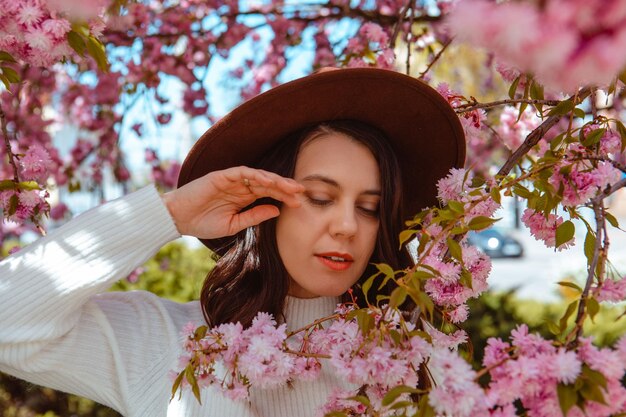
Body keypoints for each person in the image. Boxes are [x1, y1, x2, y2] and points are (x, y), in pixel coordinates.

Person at [0, 67, 465, 417]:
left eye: (369, 207)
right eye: (321, 197)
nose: (347, 226)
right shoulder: (171, 344)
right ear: (266, 201)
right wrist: (171, 214)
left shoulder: (415, 355)